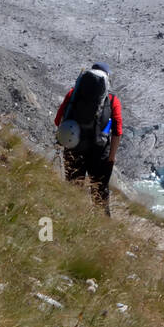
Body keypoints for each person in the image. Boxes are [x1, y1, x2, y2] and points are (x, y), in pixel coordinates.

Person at [54, 62, 122, 216]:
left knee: (73, 187)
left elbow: (59, 120)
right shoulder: (112, 100)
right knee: (100, 192)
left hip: (74, 147)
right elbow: (117, 131)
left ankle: (71, 219)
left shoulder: (73, 94)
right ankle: (102, 226)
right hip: (100, 153)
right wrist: (111, 156)